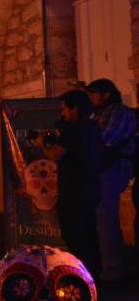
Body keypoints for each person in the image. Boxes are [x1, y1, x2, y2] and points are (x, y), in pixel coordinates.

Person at [35, 90, 101, 275]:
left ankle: (80, 273)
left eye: (64, 109)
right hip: (91, 187)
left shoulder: (74, 129)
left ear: (75, 109)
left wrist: (41, 144)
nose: (62, 113)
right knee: (89, 232)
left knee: (74, 233)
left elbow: (56, 155)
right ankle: (92, 274)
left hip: (74, 189)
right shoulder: (93, 127)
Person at [86, 78, 135, 282]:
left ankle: (113, 269)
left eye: (93, 94)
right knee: (100, 219)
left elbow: (105, 140)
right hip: (103, 169)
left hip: (112, 169)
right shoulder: (100, 113)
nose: (91, 99)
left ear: (105, 94)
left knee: (105, 219)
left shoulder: (117, 112)